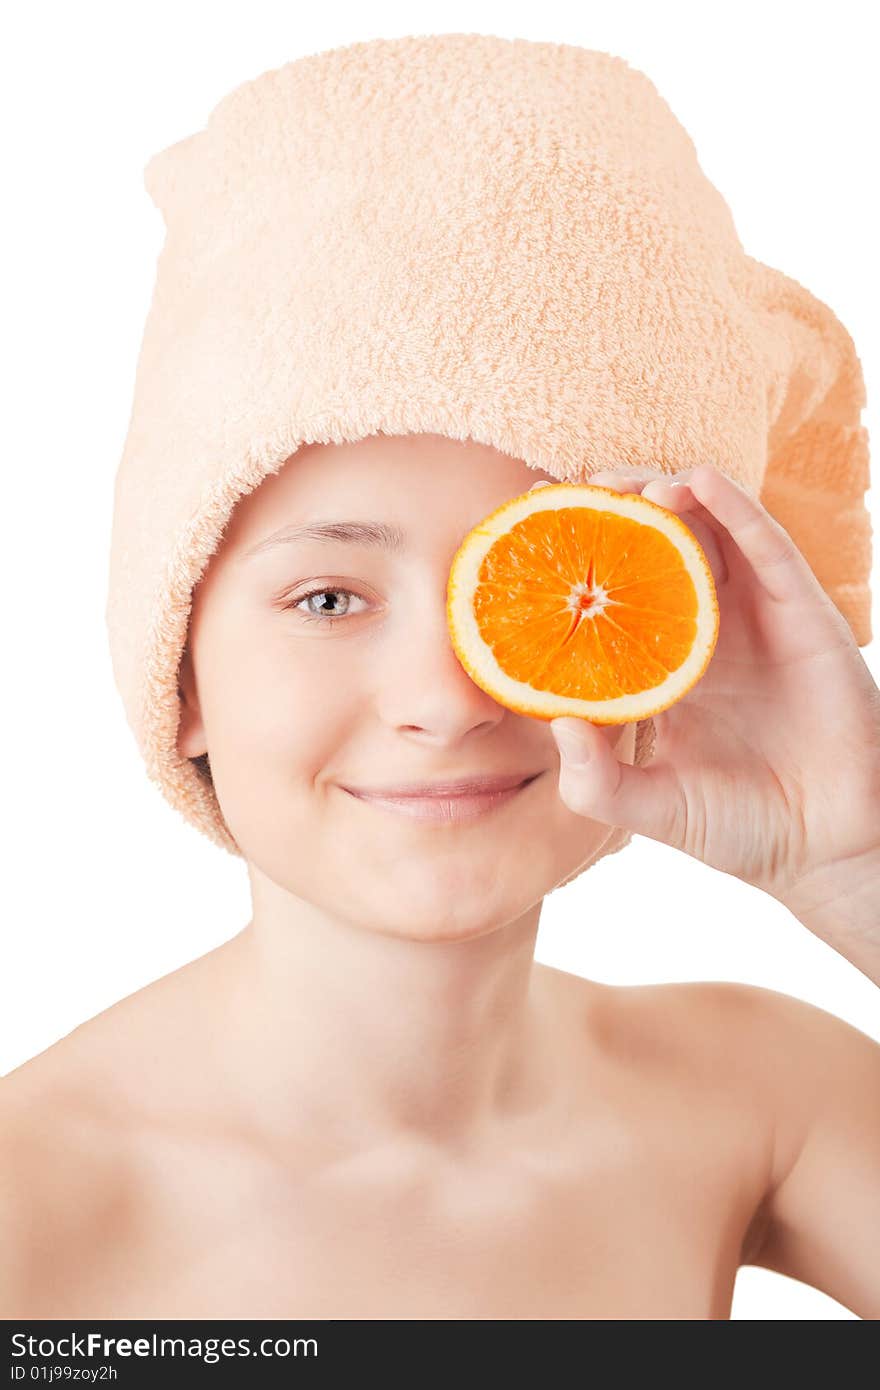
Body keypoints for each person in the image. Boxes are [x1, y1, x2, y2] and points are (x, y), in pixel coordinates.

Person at [1, 430, 878, 1320]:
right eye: (330, 599)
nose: (448, 701)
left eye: (544, 587)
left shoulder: (758, 1094)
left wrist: (855, 868)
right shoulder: (27, 1204)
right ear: (181, 678)